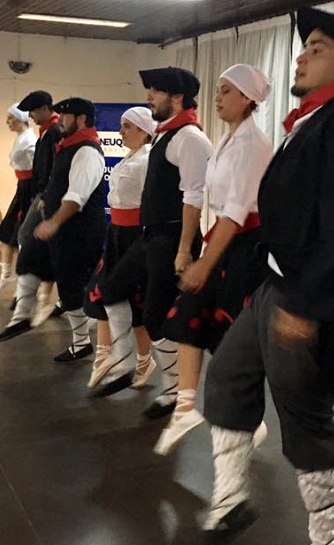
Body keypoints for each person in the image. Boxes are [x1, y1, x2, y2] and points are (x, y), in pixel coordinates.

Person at [199, 8, 334, 545]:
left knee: (305, 418)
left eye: (315, 48)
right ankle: (231, 497)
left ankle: (329, 543)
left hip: (314, 302)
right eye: (304, 47)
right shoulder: (316, 120)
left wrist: (309, 307)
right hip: (278, 287)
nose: (300, 56)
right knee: (228, 377)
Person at [152, 64, 274, 455]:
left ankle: (249, 418)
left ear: (248, 99)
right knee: (188, 316)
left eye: (226, 91)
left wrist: (203, 263)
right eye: (218, 90)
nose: (218, 97)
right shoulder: (227, 140)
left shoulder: (253, 144)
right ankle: (186, 406)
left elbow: (235, 213)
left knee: (231, 339)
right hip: (223, 242)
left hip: (244, 249)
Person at [91, 67, 212, 417]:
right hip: (151, 236)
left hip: (172, 238)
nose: (148, 97)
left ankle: (174, 391)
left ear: (176, 98)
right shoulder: (165, 135)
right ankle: (128, 363)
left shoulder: (190, 137)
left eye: (155, 92)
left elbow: (194, 197)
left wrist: (183, 250)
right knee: (111, 290)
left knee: (158, 318)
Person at [0, 97, 107, 364]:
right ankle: (21, 317)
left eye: (66, 116)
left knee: (71, 287)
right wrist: (47, 201)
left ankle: (81, 343)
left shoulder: (87, 151)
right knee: (31, 255)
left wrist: (53, 222)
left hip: (79, 230)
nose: (61, 121)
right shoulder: (67, 146)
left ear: (81, 119)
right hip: (60, 224)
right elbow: (59, 183)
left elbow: (77, 197)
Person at [85, 107, 158, 393]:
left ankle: (136, 358)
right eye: (121, 125)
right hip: (116, 233)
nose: (121, 132)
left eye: (127, 126)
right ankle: (109, 354)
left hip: (134, 234)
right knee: (101, 291)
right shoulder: (130, 158)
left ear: (144, 130)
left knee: (128, 300)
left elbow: (151, 203)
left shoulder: (148, 160)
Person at [15, 90, 63, 325]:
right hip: (41, 193)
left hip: (47, 195)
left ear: (45, 108)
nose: (32, 116)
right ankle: (37, 295)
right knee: (30, 237)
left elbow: (55, 167)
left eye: (34, 111)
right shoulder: (46, 133)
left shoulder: (54, 132)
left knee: (28, 235)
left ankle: (36, 295)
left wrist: (46, 195)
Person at [0, 102, 38, 297]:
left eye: (11, 118)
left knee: (22, 236)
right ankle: (7, 274)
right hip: (22, 188)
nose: (7, 122)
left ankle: (26, 280)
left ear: (21, 119)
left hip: (30, 190)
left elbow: (38, 168)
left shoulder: (30, 141)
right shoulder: (21, 138)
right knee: (6, 234)